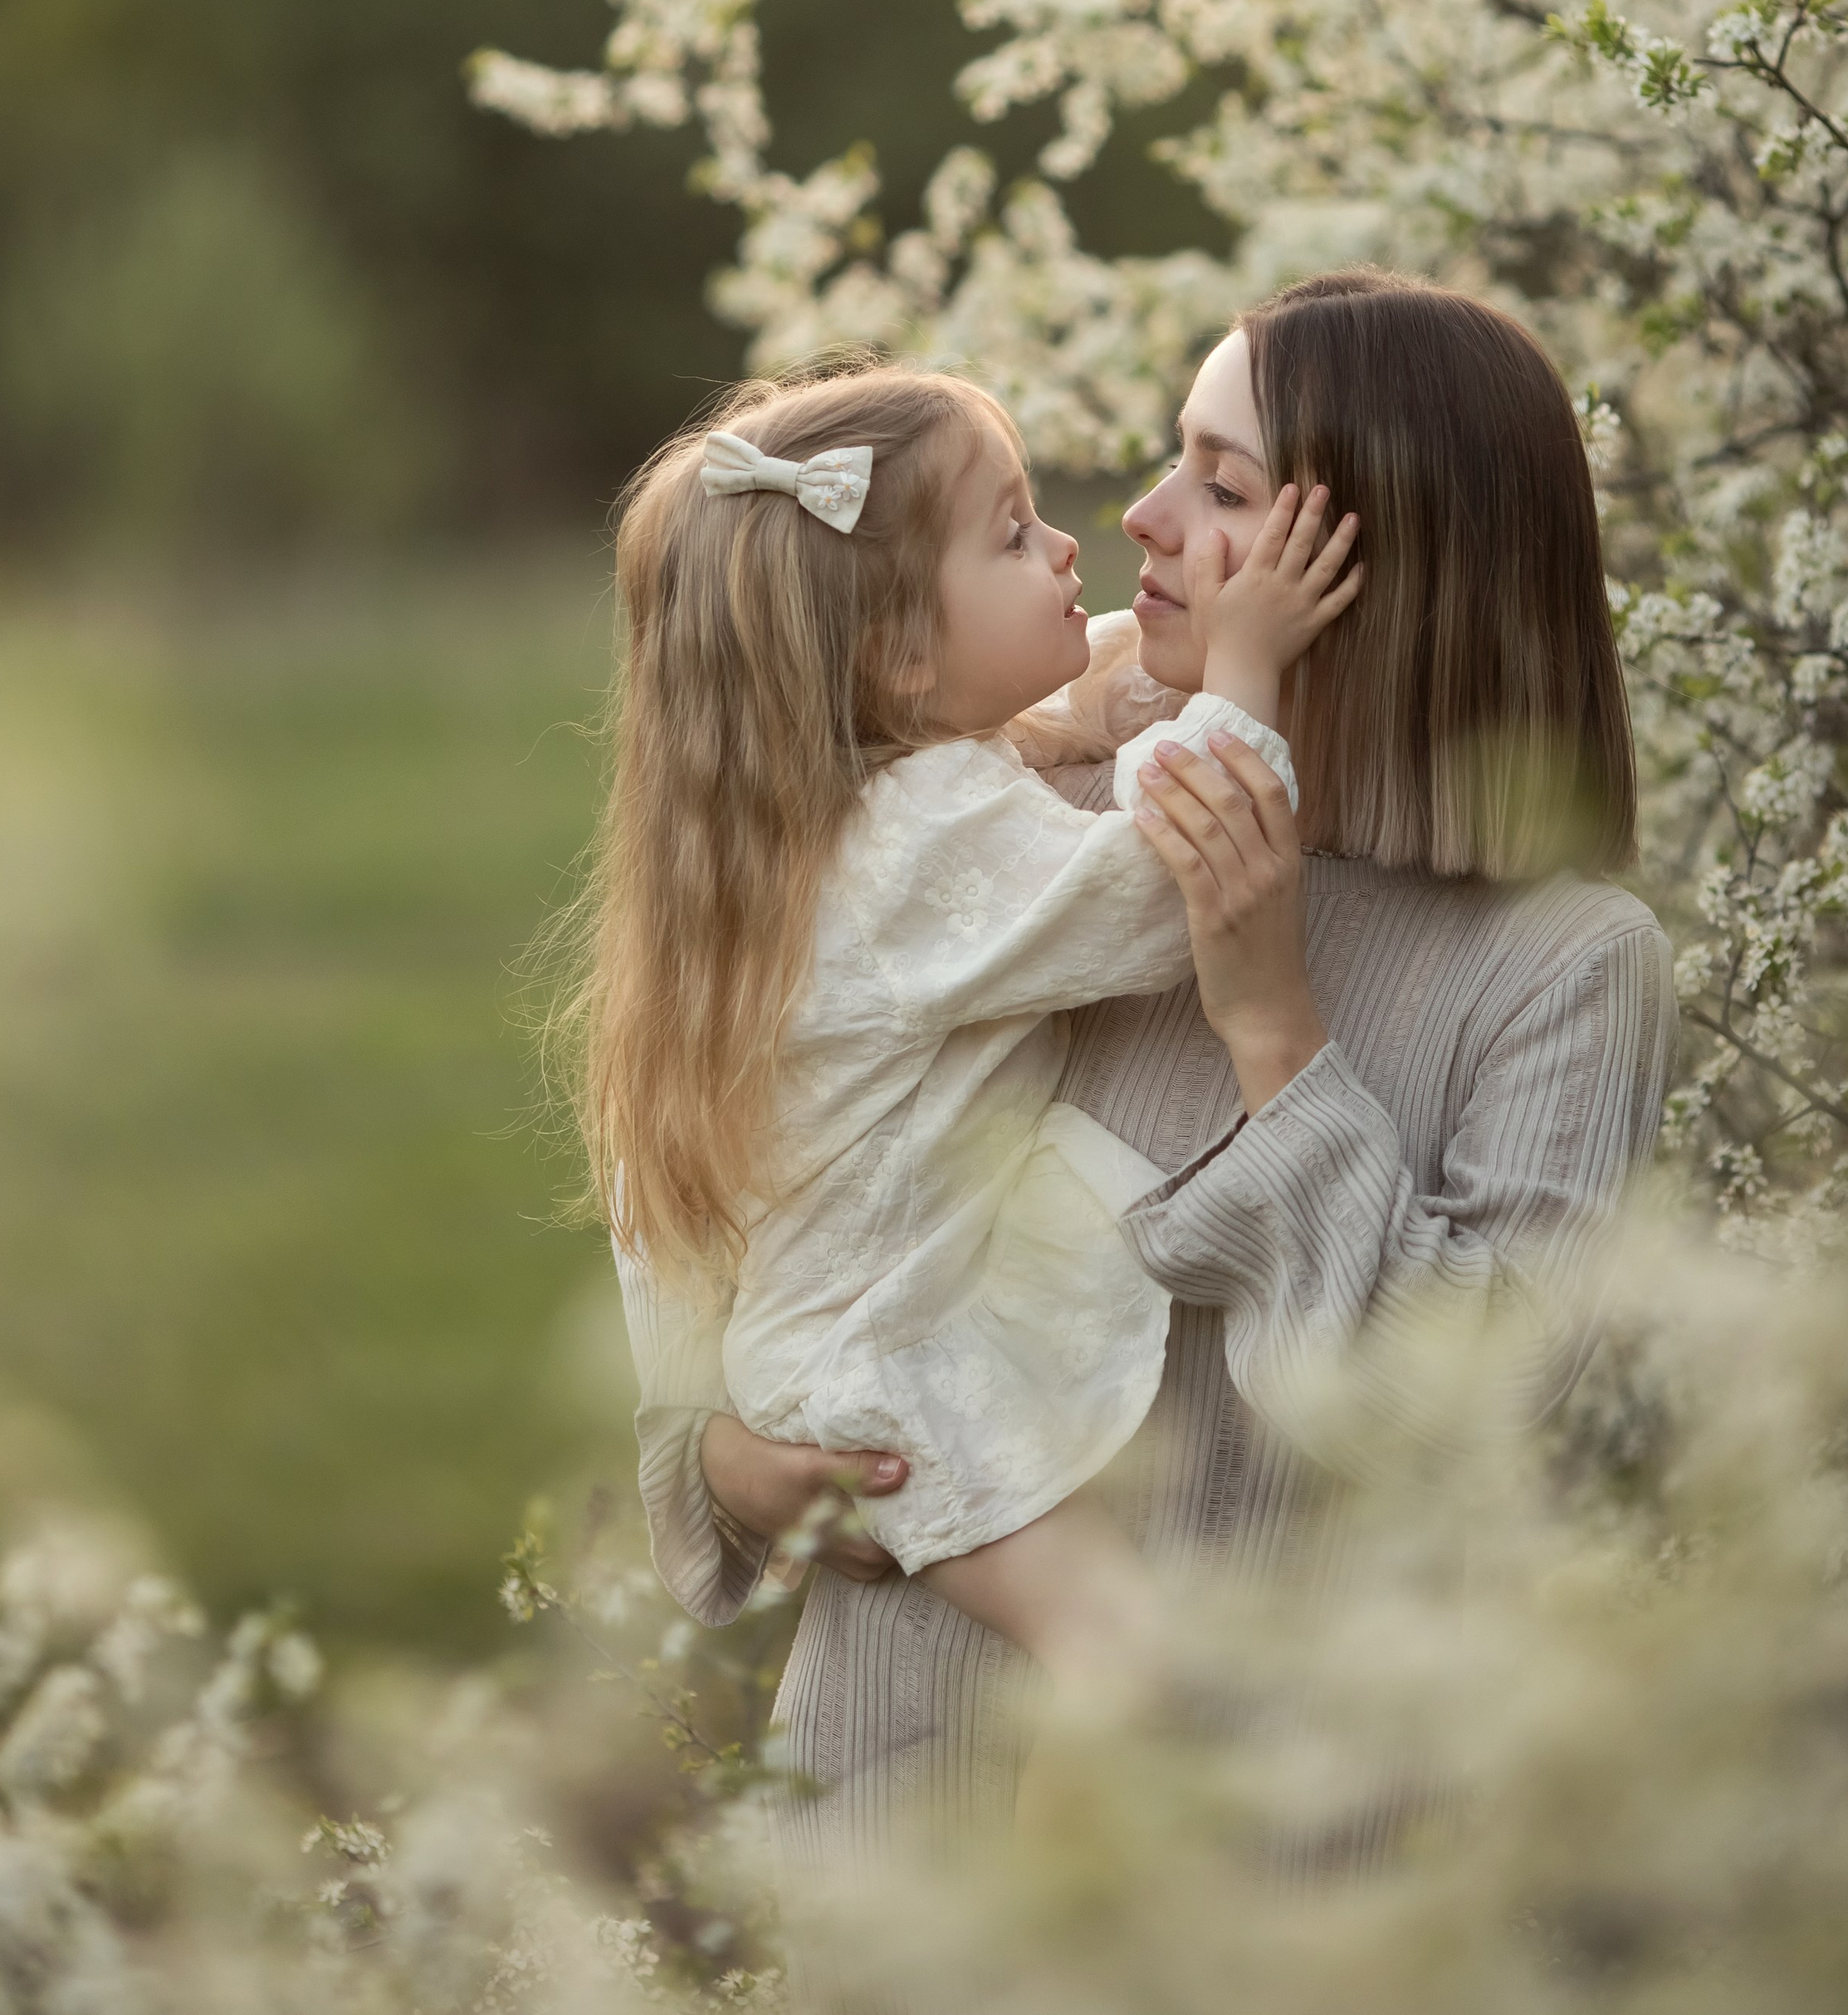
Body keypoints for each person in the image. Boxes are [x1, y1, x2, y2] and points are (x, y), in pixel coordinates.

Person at [633, 269, 1678, 1857]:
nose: (1136, 517)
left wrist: (1273, 1024)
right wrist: (721, 1462)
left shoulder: (1558, 967)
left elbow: (1483, 1426)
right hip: (905, 1804)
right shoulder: (1032, 831)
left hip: (1271, 1858)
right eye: (1168, 458)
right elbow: (752, 1184)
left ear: (1374, 559)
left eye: (1222, 484)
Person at [587, 364, 1362, 1691]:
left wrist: (1110, 694)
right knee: (1139, 1664)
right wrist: (1243, 662)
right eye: (1013, 533)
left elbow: (1020, 716)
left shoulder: (827, 816)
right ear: (898, 655)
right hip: (899, 1389)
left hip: (837, 1359)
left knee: (1139, 1666)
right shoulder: (913, 850)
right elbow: (1165, 889)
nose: (1074, 543)